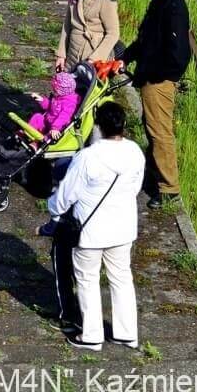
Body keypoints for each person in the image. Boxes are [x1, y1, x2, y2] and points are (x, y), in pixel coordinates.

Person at [46, 101, 146, 350]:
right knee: (121, 278)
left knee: (87, 279)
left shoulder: (87, 157)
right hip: (123, 228)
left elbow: (66, 195)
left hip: (90, 231)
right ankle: (127, 333)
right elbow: (135, 188)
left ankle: (91, 335)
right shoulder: (135, 152)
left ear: (98, 126)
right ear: (123, 125)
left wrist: (53, 209)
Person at [125, 0, 190, 210]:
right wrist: (126, 58)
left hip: (158, 81)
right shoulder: (161, 1)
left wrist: (157, 76)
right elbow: (145, 39)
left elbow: (179, 54)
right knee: (152, 128)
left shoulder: (173, 8)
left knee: (160, 132)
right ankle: (156, 176)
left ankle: (168, 188)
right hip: (152, 77)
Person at [26, 71, 80, 139]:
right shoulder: (59, 97)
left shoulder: (70, 104)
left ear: (62, 91)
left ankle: (38, 142)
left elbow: (64, 117)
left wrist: (55, 127)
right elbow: (51, 106)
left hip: (58, 127)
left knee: (51, 136)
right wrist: (42, 100)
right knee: (37, 117)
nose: (53, 91)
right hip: (48, 121)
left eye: (55, 90)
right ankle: (27, 133)